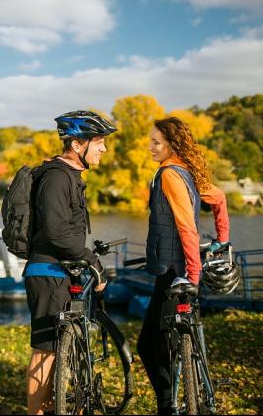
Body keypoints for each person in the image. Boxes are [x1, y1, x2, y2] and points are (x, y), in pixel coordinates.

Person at [24, 110, 117, 415]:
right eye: (99, 142)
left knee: (60, 350)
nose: (103, 148)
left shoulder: (69, 176)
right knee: (45, 354)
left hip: (61, 272)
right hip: (48, 272)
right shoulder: (56, 178)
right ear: (78, 144)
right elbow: (55, 231)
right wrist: (91, 260)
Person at [138, 116, 230, 415]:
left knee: (149, 345)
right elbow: (219, 199)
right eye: (150, 141)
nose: (150, 147)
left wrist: (192, 273)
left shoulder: (168, 174)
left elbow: (187, 226)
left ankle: (167, 406)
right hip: (177, 268)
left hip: (173, 271)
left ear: (171, 144)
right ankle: (183, 394)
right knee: (166, 340)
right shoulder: (187, 172)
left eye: (156, 142)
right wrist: (222, 239)